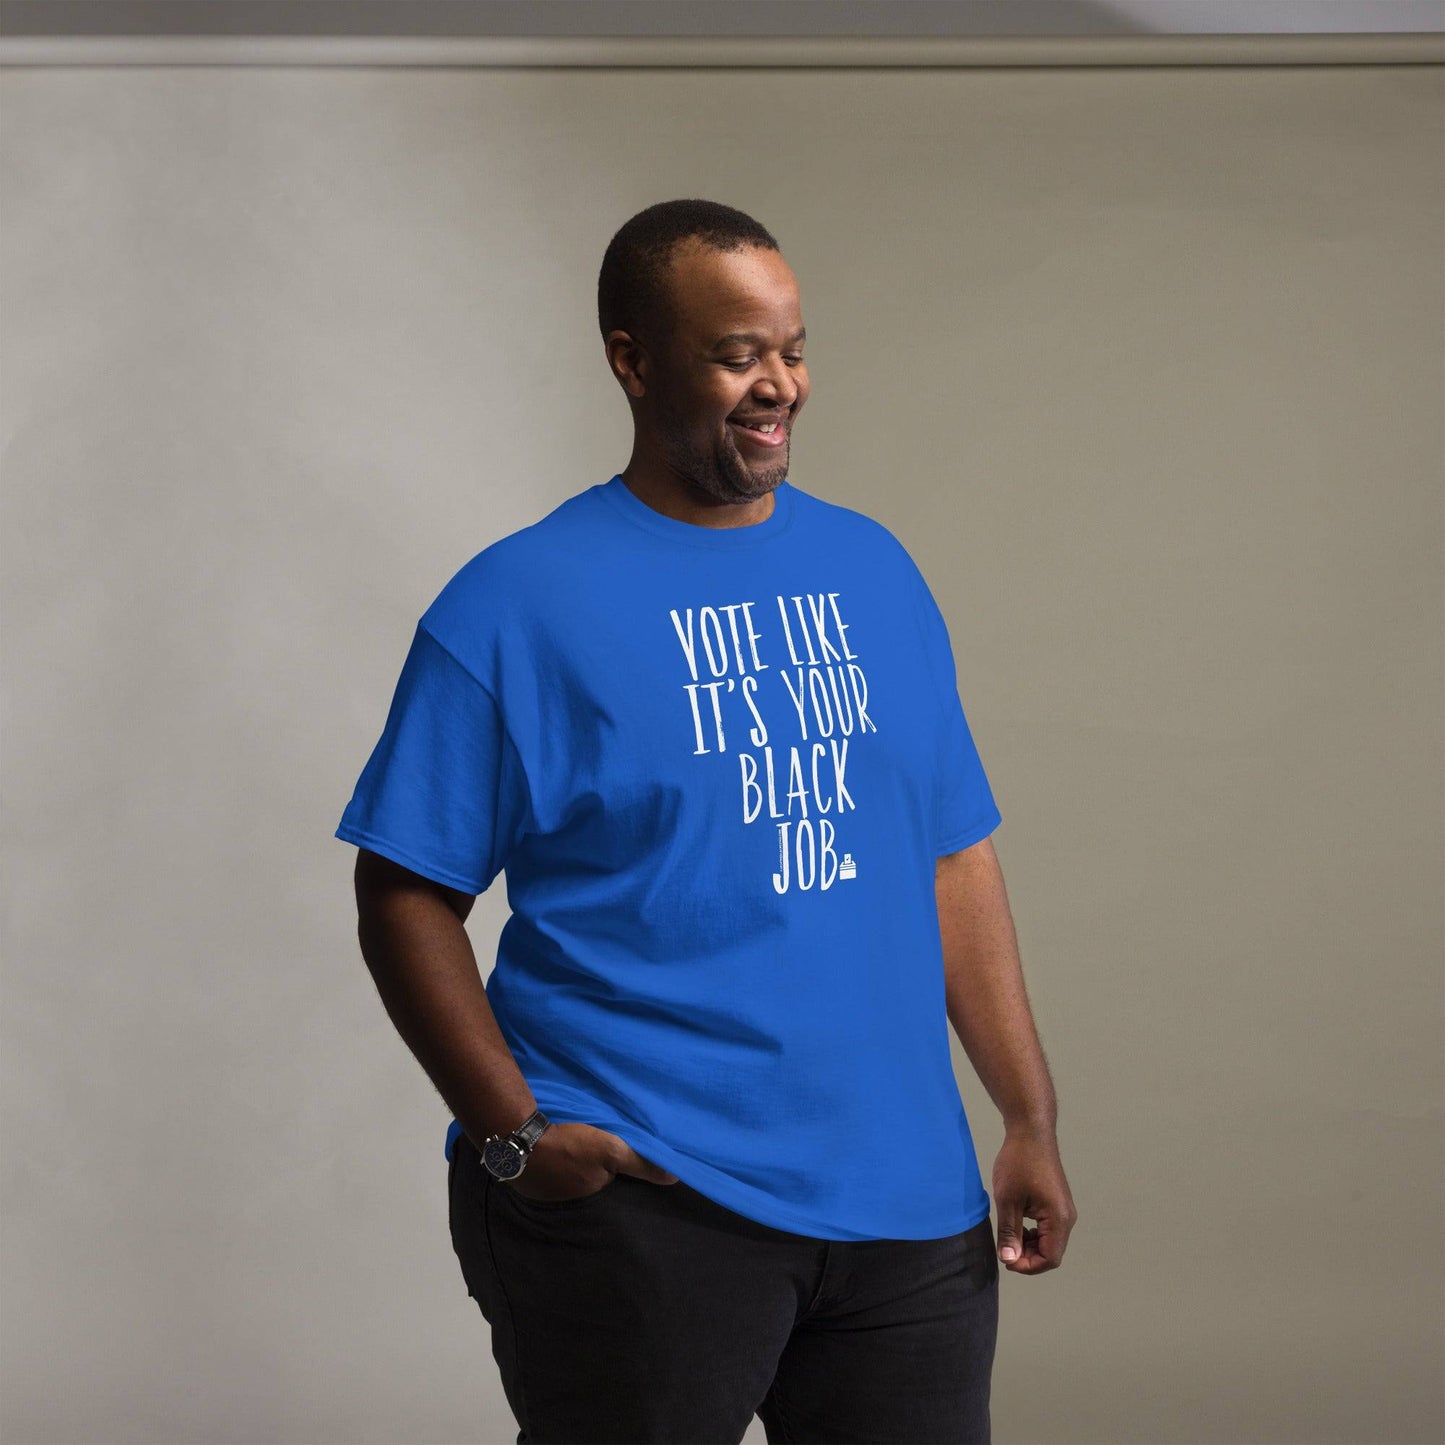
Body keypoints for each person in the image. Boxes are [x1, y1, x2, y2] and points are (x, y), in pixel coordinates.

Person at [335, 197, 1076, 1445]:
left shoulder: (874, 570)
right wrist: (517, 1137)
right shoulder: (515, 603)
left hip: (905, 1207)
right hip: (646, 1204)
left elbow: (951, 854)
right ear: (632, 359)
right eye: (737, 353)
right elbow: (403, 889)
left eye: (790, 348)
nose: (775, 383)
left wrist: (1026, 1117)